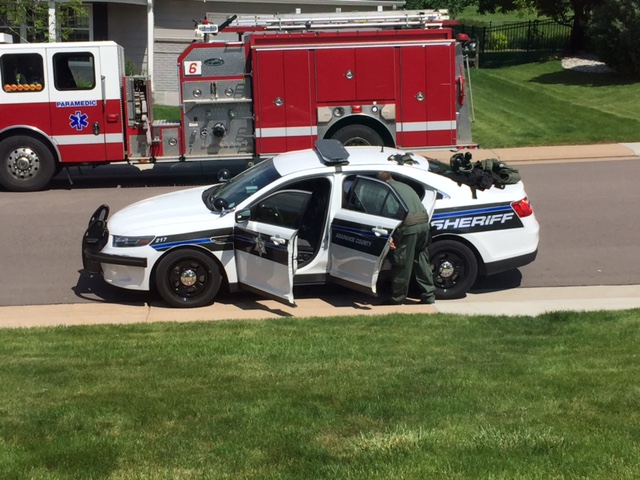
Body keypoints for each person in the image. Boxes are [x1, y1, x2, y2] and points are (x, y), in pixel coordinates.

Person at [377, 171, 436, 305]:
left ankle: (398, 298)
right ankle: (429, 295)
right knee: (421, 260)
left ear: (382, 182)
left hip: (409, 229)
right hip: (424, 226)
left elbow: (390, 214)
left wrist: (389, 236)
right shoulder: (405, 186)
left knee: (402, 262)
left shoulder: (388, 190)